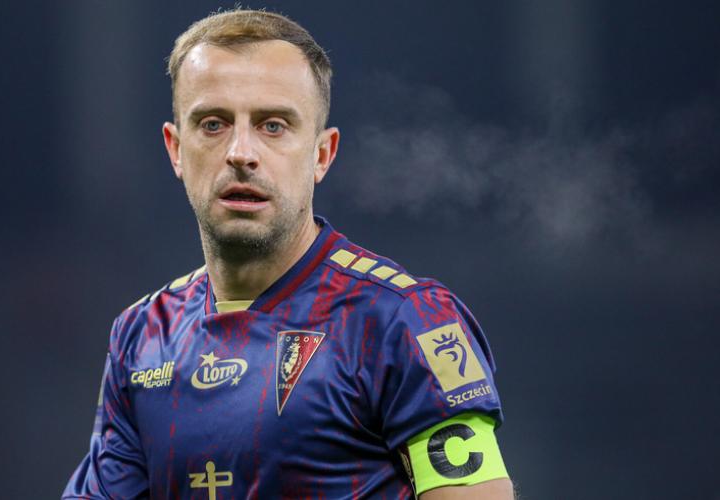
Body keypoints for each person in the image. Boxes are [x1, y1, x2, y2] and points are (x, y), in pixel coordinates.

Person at [63, 9, 513, 499]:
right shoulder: (141, 335)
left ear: (322, 154)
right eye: (213, 124)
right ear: (175, 149)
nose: (241, 152)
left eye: (272, 125)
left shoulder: (405, 321)